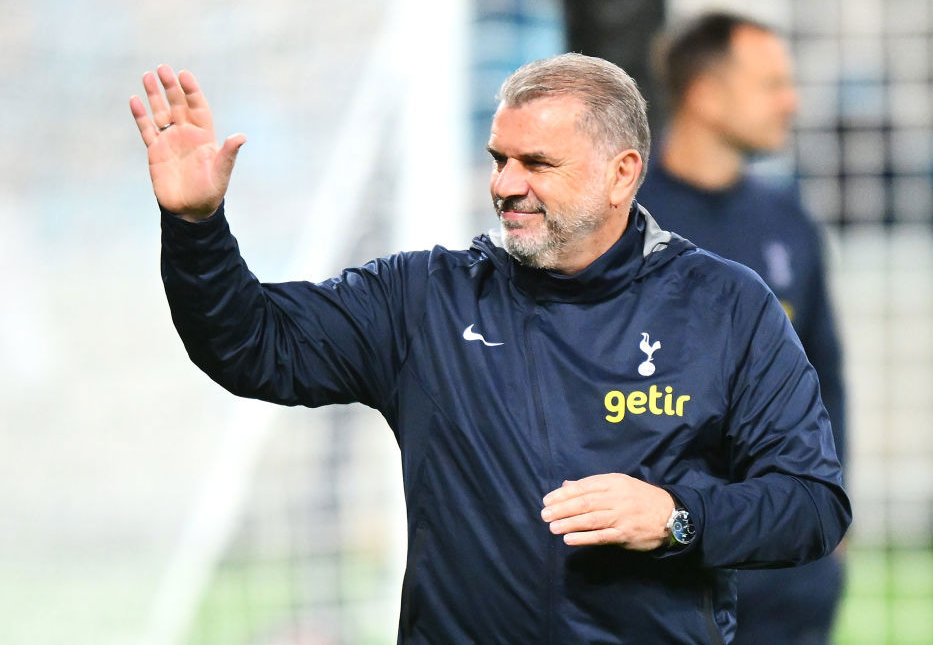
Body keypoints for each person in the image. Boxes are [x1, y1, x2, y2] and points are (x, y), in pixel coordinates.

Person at [129, 53, 850, 643]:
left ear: (621, 173)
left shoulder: (724, 304)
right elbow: (252, 344)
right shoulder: (425, 298)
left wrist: (675, 515)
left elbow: (812, 504)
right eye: (498, 158)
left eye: (537, 162)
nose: (506, 185)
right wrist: (197, 228)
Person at [639, 11, 848, 644]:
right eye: (770, 84)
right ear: (704, 94)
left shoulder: (786, 216)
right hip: (663, 572)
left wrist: (836, 514)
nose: (792, 101)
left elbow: (825, 377)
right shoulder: (622, 221)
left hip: (786, 575)